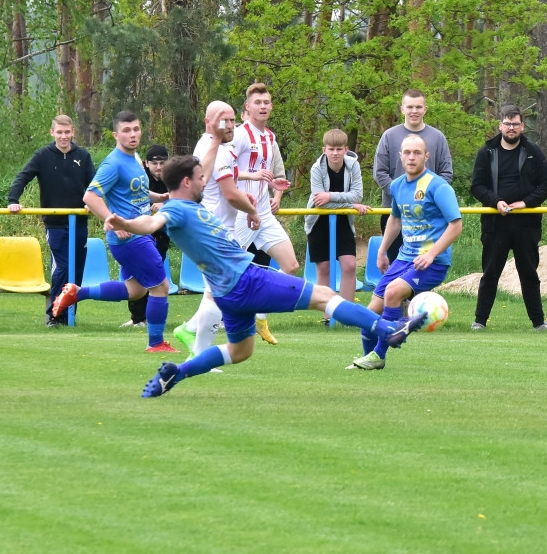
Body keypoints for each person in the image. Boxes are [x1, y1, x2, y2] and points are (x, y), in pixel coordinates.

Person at [103, 141, 427, 398]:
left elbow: (179, 196)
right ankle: (389, 330)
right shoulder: (176, 210)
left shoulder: (187, 205)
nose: (206, 182)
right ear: (187, 182)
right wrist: (128, 224)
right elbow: (152, 222)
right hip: (247, 280)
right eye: (201, 178)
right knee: (323, 295)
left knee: (239, 351)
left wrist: (217, 143)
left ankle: (179, 372)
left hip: (227, 294)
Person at [51, 110, 176, 353]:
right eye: (127, 130)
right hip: (130, 238)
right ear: (116, 134)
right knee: (160, 286)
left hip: (138, 234)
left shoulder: (135, 159)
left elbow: (135, 191)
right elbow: (90, 196)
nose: (133, 134)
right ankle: (156, 343)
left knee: (136, 290)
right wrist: (112, 219)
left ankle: (77, 292)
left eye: (136, 129)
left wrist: (158, 196)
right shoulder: (114, 163)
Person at [350, 134, 462, 370]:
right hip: (403, 259)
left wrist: (431, 254)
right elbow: (395, 218)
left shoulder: (438, 186)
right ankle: (369, 357)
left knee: (392, 292)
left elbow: (456, 225)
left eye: (417, 153)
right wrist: (381, 251)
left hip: (431, 262)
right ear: (400, 156)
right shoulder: (397, 185)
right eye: (407, 153)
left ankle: (381, 352)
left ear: (426, 156)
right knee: (369, 316)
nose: (412, 157)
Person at [172, 101, 254, 366]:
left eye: (233, 120)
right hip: (215, 230)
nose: (230, 126)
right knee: (219, 294)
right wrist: (252, 210)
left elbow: (227, 189)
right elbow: (229, 195)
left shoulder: (219, 147)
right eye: (224, 120)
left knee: (218, 293)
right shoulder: (212, 148)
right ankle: (198, 354)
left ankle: (192, 331)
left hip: (220, 228)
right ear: (209, 121)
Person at [469, 104, 547, 332]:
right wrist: (495, 201)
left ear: (522, 126)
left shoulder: (533, 152)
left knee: (529, 274)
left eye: (515, 124)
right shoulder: (487, 152)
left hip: (526, 223)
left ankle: (539, 323)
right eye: (507, 124)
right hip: (495, 224)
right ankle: (479, 321)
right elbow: (476, 186)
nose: (511, 128)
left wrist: (526, 203)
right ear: (500, 125)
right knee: (490, 274)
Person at [7, 114, 95, 327]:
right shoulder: (43, 155)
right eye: (59, 132)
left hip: (79, 222)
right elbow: (23, 176)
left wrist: (92, 203)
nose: (63, 136)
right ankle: (54, 315)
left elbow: (94, 184)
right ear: (52, 133)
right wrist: (13, 200)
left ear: (73, 132)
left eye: (67, 132)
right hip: (55, 223)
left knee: (77, 271)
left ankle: (68, 315)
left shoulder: (82, 156)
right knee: (62, 267)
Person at [230, 82, 296, 345]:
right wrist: (252, 175)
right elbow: (223, 170)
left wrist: (273, 186)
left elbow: (268, 174)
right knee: (228, 272)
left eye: (267, 102)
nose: (263, 106)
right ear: (247, 107)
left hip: (262, 213)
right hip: (238, 212)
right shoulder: (239, 135)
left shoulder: (270, 137)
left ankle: (260, 314)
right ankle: (214, 322)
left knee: (290, 266)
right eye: (258, 102)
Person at [373, 89, 453, 262]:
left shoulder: (438, 138)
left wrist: (427, 197)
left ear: (425, 109)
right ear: (402, 109)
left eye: (418, 107)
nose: (414, 111)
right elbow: (379, 173)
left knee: (422, 267)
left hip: (428, 215)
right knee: (396, 265)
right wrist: (403, 195)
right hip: (394, 212)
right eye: (410, 107)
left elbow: (446, 174)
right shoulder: (389, 136)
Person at [304, 129, 370, 301]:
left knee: (349, 265)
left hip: (343, 220)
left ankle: (346, 313)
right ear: (324, 149)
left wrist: (331, 196)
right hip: (318, 220)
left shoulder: (353, 165)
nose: (335, 153)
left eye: (339, 149)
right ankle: (327, 314)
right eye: (331, 149)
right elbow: (319, 201)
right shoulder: (316, 168)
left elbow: (357, 195)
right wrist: (351, 204)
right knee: (324, 268)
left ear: (346, 149)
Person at [121, 144, 171, 328]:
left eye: (162, 162)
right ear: (146, 164)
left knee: (154, 278)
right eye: (155, 163)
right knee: (134, 276)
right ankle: (137, 318)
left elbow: (185, 198)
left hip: (160, 236)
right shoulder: (140, 178)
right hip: (136, 236)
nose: (159, 167)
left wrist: (164, 206)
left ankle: (148, 318)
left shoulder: (173, 179)